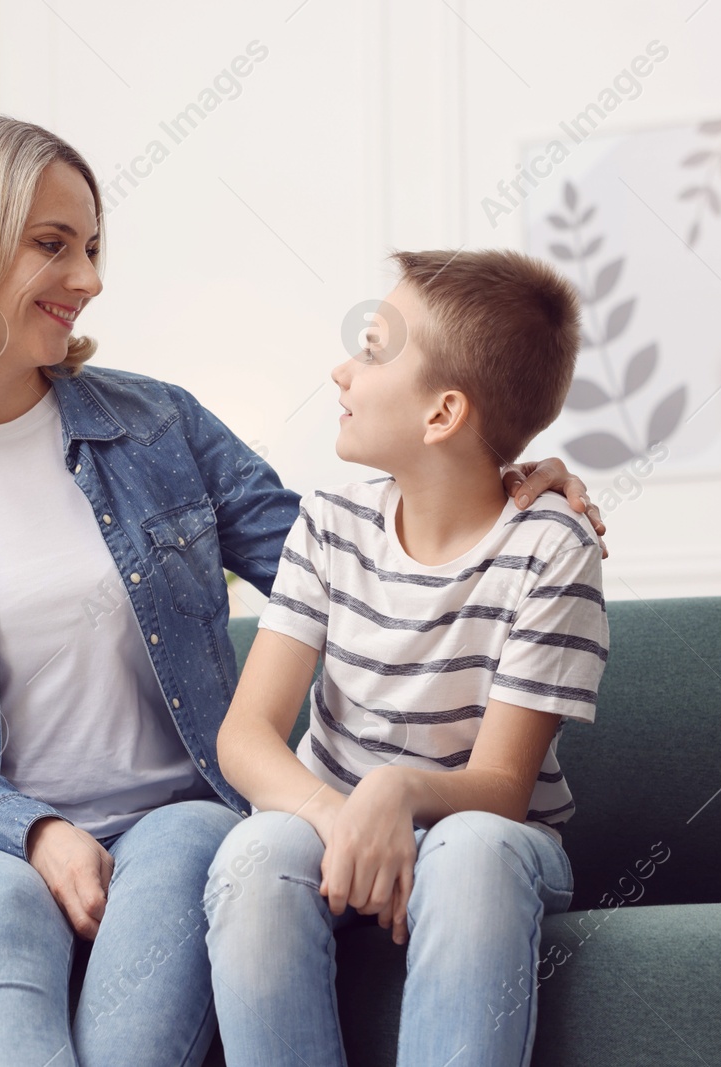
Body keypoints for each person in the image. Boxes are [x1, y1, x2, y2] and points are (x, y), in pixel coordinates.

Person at [0, 113, 607, 1067]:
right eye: (54, 246)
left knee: (138, 1027)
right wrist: (38, 832)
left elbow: (346, 557)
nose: (91, 280)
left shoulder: (155, 424)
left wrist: (495, 481)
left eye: (93, 247)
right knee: (7, 915)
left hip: (171, 819)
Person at [204, 248, 607, 1067]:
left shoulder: (552, 546)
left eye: (373, 349)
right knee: (255, 852)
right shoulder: (328, 524)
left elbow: (502, 790)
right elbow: (246, 736)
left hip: (489, 833)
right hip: (333, 817)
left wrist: (396, 788)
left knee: (470, 854)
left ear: (441, 414)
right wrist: (344, 817)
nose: (341, 372)